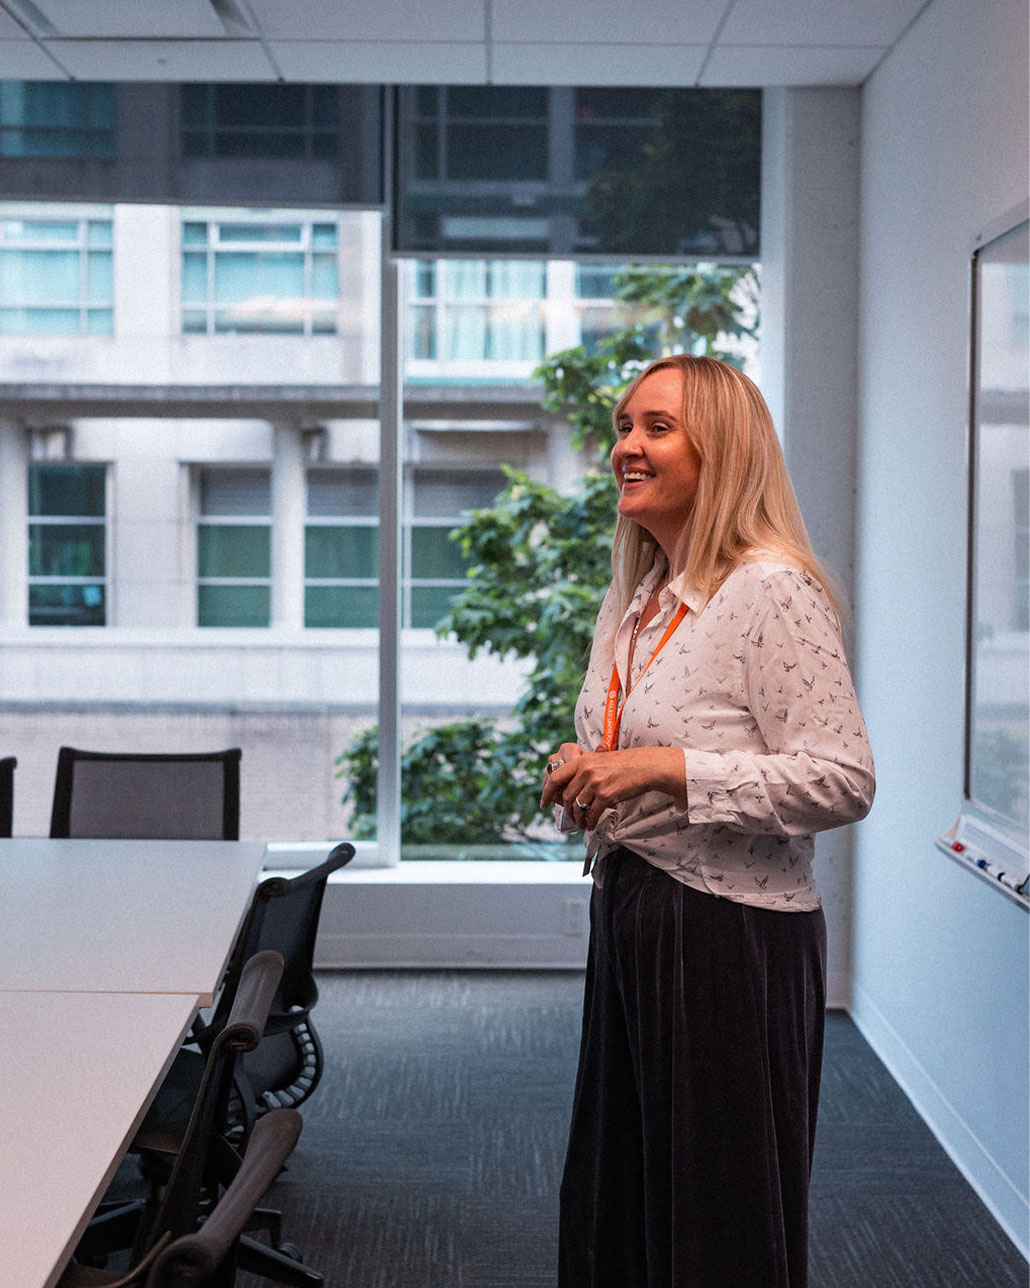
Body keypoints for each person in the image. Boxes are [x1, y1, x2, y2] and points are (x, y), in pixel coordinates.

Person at [540, 354, 874, 1288]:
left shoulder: (771, 591)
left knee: (716, 1212)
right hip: (634, 906)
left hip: (728, 933)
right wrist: (588, 766)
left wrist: (663, 770)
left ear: (721, 451)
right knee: (623, 1193)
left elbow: (843, 779)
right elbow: (636, 732)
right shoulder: (640, 594)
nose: (627, 447)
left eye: (657, 428)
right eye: (623, 426)